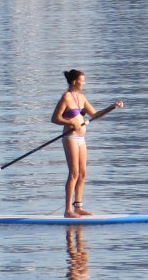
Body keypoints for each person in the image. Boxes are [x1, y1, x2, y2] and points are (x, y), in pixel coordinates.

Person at [52, 69, 124, 218]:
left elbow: (95, 115)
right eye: (82, 80)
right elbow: (55, 118)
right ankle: (67, 211)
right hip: (70, 138)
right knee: (74, 173)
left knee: (83, 173)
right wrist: (70, 122)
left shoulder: (81, 97)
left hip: (81, 139)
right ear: (74, 81)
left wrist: (112, 107)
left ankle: (78, 207)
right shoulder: (66, 97)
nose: (84, 83)